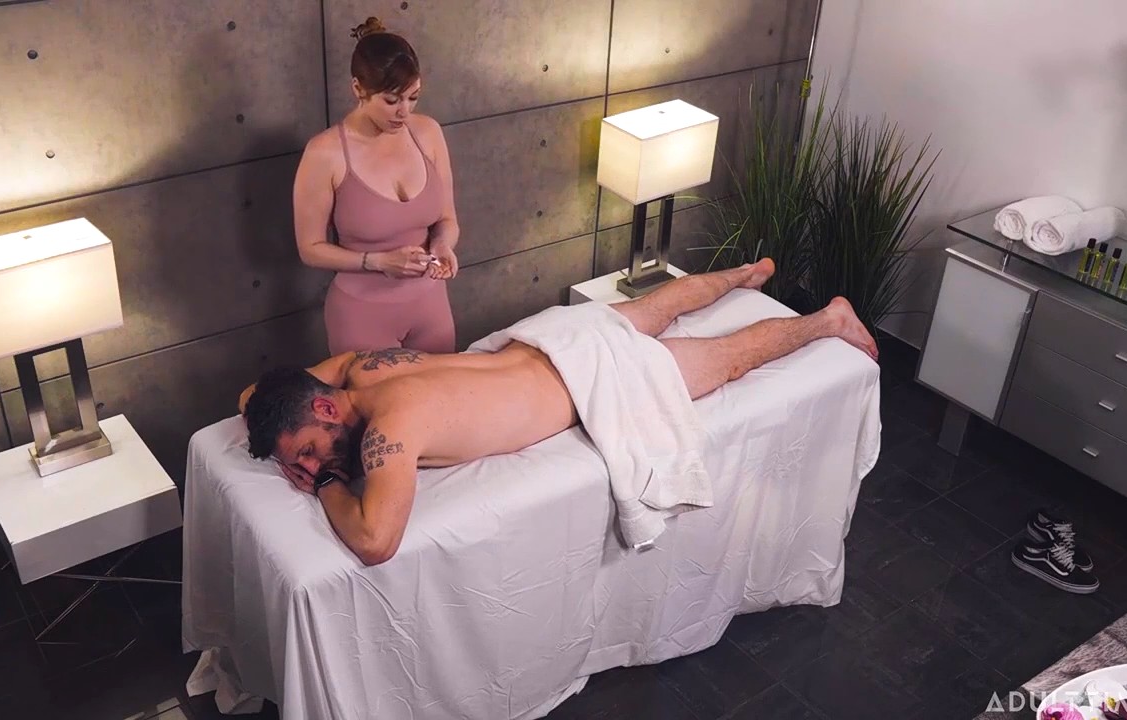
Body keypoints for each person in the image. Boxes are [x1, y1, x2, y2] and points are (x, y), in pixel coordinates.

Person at [239, 260, 879, 566]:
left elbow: (376, 542)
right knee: (657, 306)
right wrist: (292, 443)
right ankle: (745, 274)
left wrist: (326, 482)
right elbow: (252, 399)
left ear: (324, 406)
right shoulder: (358, 365)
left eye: (308, 450)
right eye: (305, 461)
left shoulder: (390, 430)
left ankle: (828, 319)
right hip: (554, 337)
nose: (312, 464)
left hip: (590, 379)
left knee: (727, 360)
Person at [292, 16, 460, 355]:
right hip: (362, 315)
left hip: (431, 305)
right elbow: (310, 248)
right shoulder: (325, 153)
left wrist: (443, 244)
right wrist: (378, 261)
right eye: (391, 100)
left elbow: (447, 219)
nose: (404, 112)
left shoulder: (428, 133)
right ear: (358, 89)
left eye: (413, 97)